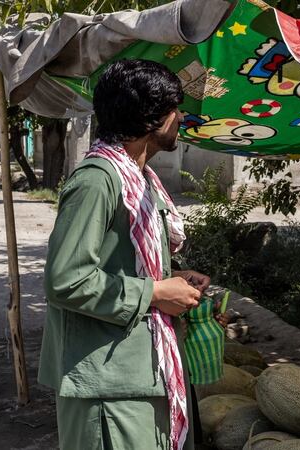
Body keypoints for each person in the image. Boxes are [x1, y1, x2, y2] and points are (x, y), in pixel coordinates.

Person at [38, 59, 209, 450]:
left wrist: (176, 278)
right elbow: (67, 279)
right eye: (174, 109)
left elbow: (126, 259)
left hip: (138, 370)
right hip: (107, 384)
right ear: (151, 119)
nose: (180, 118)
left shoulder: (138, 178)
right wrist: (155, 293)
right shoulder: (97, 181)